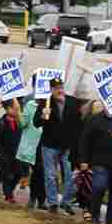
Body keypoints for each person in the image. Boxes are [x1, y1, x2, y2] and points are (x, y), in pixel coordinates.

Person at [33, 79, 80, 213]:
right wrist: (43, 115)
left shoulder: (72, 101)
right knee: (50, 175)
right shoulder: (45, 102)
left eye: (61, 87)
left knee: (70, 176)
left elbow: (78, 123)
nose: (59, 90)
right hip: (50, 145)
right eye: (56, 88)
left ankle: (66, 202)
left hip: (67, 146)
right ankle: (53, 203)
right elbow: (36, 123)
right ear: (51, 90)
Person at [79, 102, 112, 224]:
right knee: (99, 187)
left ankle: (111, 220)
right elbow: (85, 140)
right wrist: (84, 160)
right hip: (99, 160)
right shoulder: (94, 119)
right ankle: (95, 215)